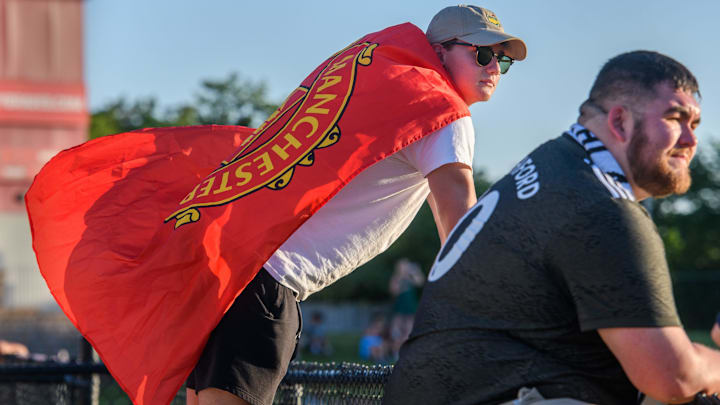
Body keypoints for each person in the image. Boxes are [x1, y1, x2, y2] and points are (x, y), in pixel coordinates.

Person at [186, 5, 527, 405]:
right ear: (438, 52)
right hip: (268, 285)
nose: (494, 68)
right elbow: (460, 227)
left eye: (501, 59)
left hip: (232, 274)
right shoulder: (445, 115)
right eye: (482, 54)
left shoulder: (394, 102)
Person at [383, 50, 720, 405]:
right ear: (619, 122)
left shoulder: (552, 167)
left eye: (694, 124)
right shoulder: (601, 208)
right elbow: (671, 376)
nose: (690, 140)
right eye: (675, 118)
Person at [388, 258, 424, 359]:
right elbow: (393, 291)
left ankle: (407, 354)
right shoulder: (396, 278)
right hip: (399, 308)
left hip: (411, 308)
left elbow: (420, 282)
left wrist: (415, 271)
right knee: (396, 332)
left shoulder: (411, 277)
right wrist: (400, 277)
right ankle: (396, 353)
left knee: (409, 332)